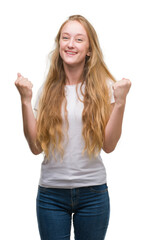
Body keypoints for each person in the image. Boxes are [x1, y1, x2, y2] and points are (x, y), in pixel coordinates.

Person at [15, 15, 131, 240]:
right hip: (51, 195)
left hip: (93, 194)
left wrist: (120, 103)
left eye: (79, 39)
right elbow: (36, 146)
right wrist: (26, 101)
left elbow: (109, 145)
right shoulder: (46, 90)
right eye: (65, 38)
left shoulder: (105, 88)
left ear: (89, 49)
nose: (70, 44)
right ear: (59, 44)